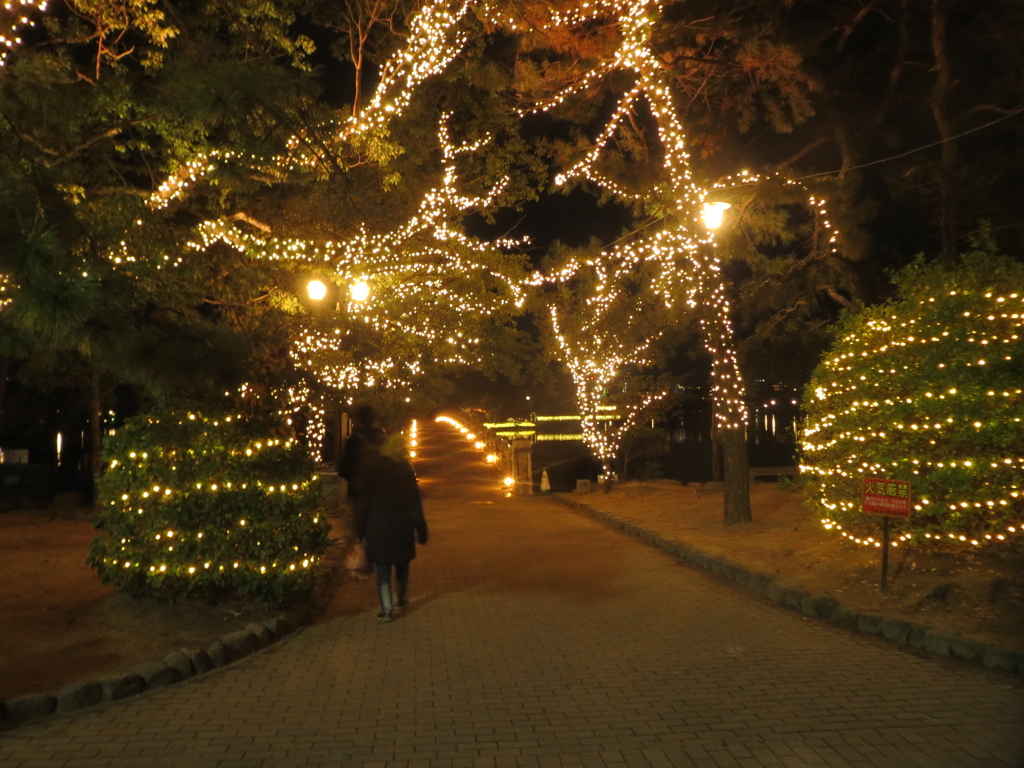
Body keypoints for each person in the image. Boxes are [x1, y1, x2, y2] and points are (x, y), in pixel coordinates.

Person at [354, 433, 428, 622]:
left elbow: (363, 503)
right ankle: (401, 598)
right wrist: (421, 528)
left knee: (383, 568)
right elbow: (414, 503)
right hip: (402, 527)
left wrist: (360, 532)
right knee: (402, 565)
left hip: (378, 527)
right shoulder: (405, 469)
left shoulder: (372, 470)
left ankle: (386, 608)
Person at [339, 405, 385, 504]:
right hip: (380, 490)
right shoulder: (382, 438)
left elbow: (345, 470)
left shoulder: (354, 441)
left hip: (360, 492)